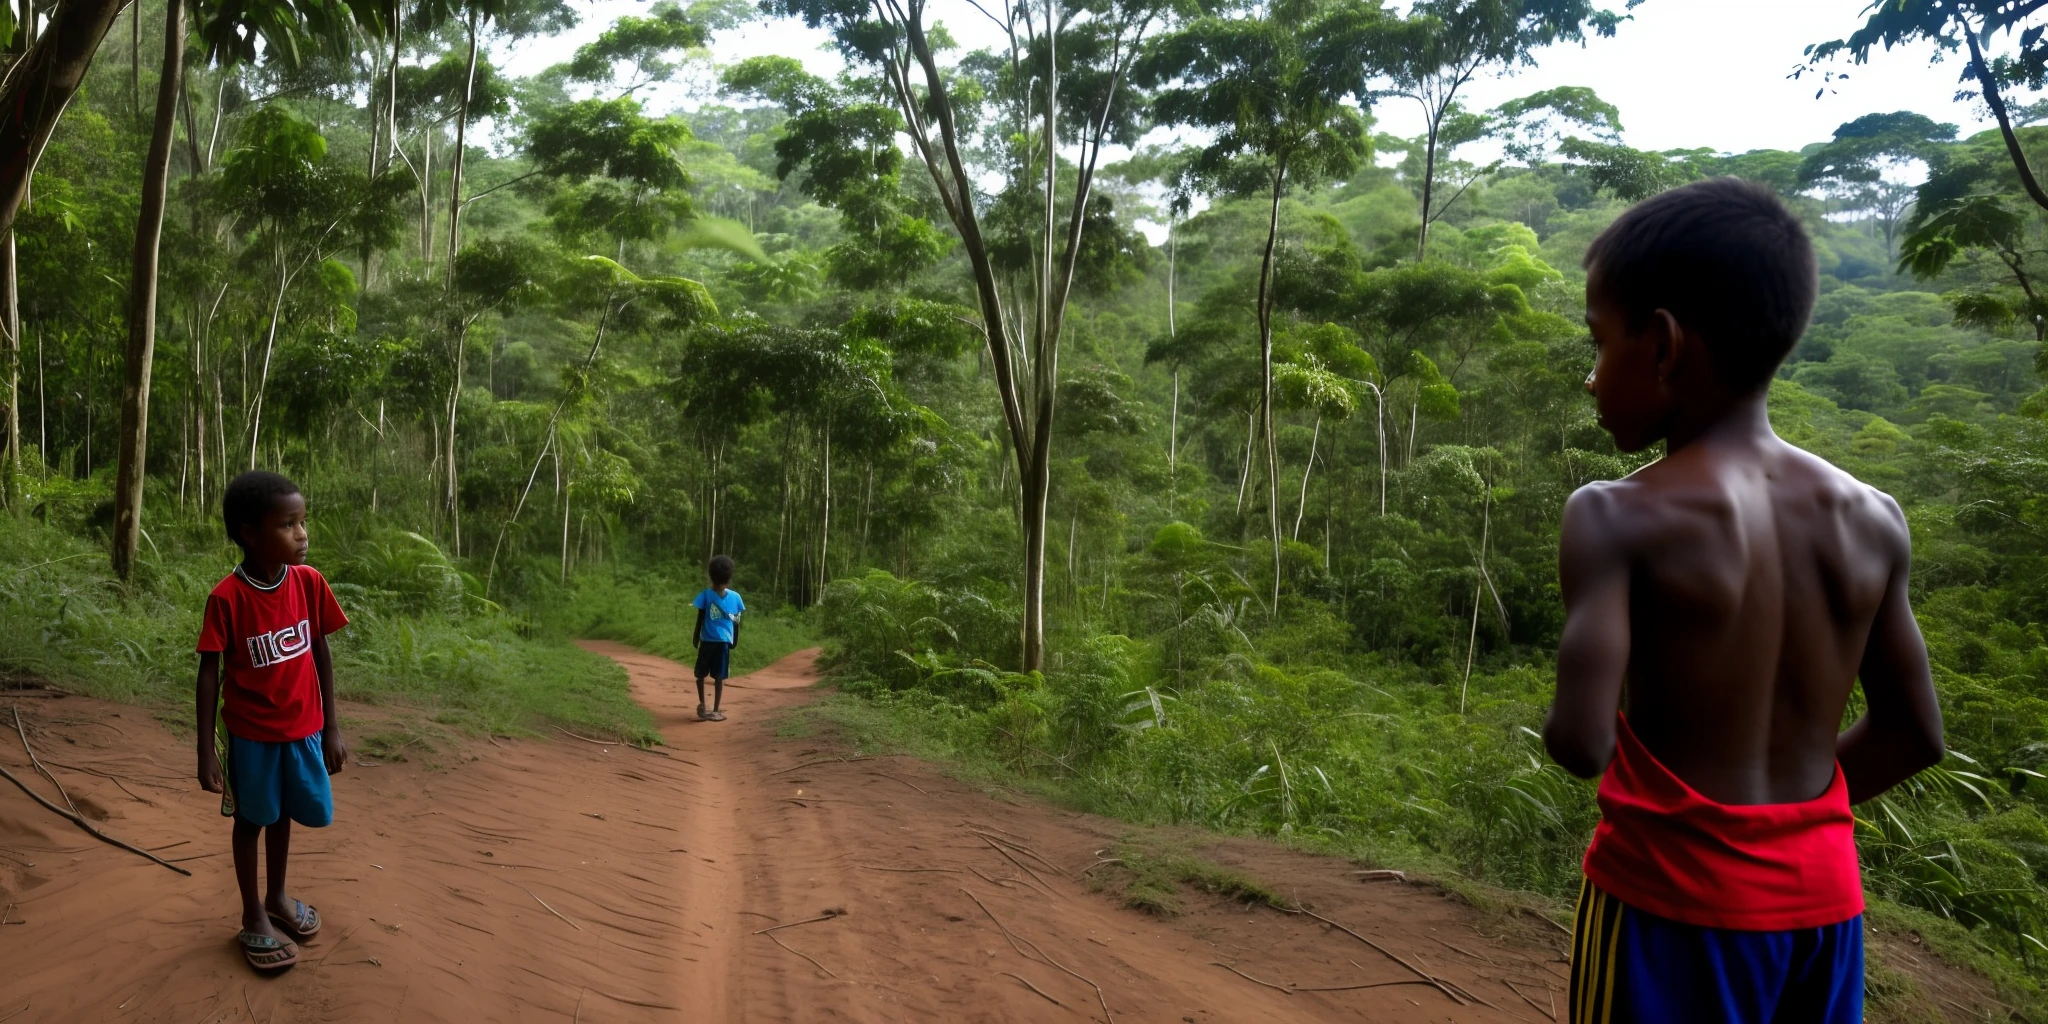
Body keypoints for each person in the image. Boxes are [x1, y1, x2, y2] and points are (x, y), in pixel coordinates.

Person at [1543, 178, 1945, 1023]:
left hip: (1666, 907)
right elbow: (1915, 735)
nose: (1590, 378)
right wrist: (1779, 822)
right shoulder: (1873, 517)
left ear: (1661, 345)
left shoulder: (1613, 515)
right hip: (1823, 911)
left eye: (1599, 342)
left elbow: (1579, 743)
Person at [196, 471, 351, 972]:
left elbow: (321, 652)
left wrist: (331, 726)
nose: (302, 533)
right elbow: (209, 673)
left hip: (303, 730)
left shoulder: (308, 584)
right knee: (251, 821)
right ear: (250, 533)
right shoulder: (228, 597)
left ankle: (278, 897)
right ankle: (251, 915)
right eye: (288, 524)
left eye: (303, 522)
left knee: (283, 814)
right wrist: (205, 751)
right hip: (251, 739)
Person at [691, 554, 745, 722]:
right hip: (723, 643)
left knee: (700, 674)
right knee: (719, 677)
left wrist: (695, 637)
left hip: (707, 641)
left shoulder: (706, 595)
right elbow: (737, 622)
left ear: (711, 575)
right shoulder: (736, 597)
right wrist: (734, 640)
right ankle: (715, 710)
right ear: (729, 577)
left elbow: (700, 618)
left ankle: (702, 705)